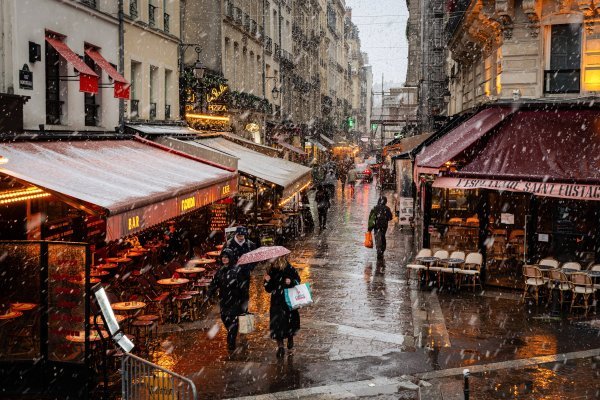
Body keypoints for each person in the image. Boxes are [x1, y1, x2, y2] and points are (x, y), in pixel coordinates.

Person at [206, 248, 246, 351]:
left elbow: (243, 287)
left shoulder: (237, 270)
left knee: (233, 321)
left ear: (230, 258)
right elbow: (214, 284)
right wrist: (209, 293)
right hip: (224, 301)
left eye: (226, 257)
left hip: (235, 301)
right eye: (223, 257)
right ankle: (231, 333)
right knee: (224, 318)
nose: (224, 259)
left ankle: (231, 341)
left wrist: (243, 302)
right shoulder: (220, 271)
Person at [263, 257, 301, 358]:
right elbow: (268, 289)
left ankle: (290, 337)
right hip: (276, 301)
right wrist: (267, 281)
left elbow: (298, 280)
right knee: (277, 324)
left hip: (288, 300)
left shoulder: (289, 268)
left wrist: (291, 281)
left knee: (289, 322)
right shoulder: (270, 270)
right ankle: (280, 347)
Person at [224, 226, 257, 313]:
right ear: (236, 235)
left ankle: (244, 311)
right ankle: (234, 312)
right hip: (233, 274)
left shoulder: (250, 244)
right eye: (239, 236)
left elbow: (255, 258)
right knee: (233, 293)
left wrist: (250, 267)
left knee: (245, 293)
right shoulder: (229, 244)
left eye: (243, 236)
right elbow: (223, 258)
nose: (241, 238)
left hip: (245, 273)